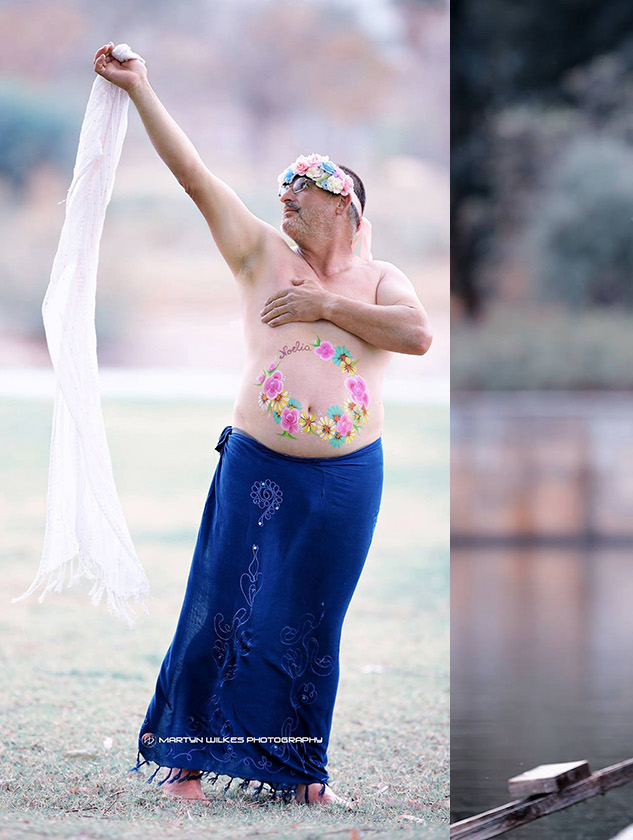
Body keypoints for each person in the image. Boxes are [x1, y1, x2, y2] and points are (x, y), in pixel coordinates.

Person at [92, 43, 433, 802]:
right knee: (223, 605)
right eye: (280, 192)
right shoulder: (258, 255)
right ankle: (186, 765)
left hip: (349, 477)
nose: (282, 202)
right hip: (259, 465)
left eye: (297, 191)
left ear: (342, 202)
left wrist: (323, 305)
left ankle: (300, 776)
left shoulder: (384, 281)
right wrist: (141, 86)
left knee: (314, 624)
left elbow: (414, 336)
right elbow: (194, 178)